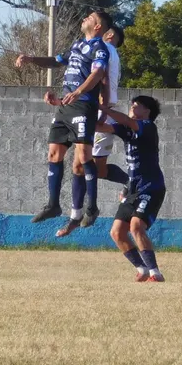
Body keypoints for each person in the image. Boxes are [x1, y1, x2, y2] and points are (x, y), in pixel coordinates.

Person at [16, 10, 111, 226]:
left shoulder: (100, 48)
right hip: (65, 107)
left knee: (85, 156)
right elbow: (56, 61)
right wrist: (31, 59)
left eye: (90, 17)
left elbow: (97, 74)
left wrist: (78, 92)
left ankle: (92, 206)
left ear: (98, 26)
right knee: (53, 152)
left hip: (83, 104)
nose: (85, 17)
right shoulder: (77, 44)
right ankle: (53, 204)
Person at [57, 25, 128, 238]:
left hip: (97, 111)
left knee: (81, 166)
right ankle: (76, 215)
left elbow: (103, 80)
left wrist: (103, 110)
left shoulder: (103, 49)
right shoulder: (112, 53)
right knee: (94, 169)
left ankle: (77, 216)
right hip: (100, 109)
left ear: (110, 34)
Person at [95, 96, 166, 282]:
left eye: (138, 106)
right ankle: (141, 269)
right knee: (116, 232)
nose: (133, 107)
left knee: (136, 227)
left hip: (151, 187)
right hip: (133, 189)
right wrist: (83, 111)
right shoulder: (126, 129)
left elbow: (126, 120)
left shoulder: (148, 126)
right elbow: (100, 128)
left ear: (147, 112)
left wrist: (104, 106)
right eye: (132, 105)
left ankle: (155, 273)